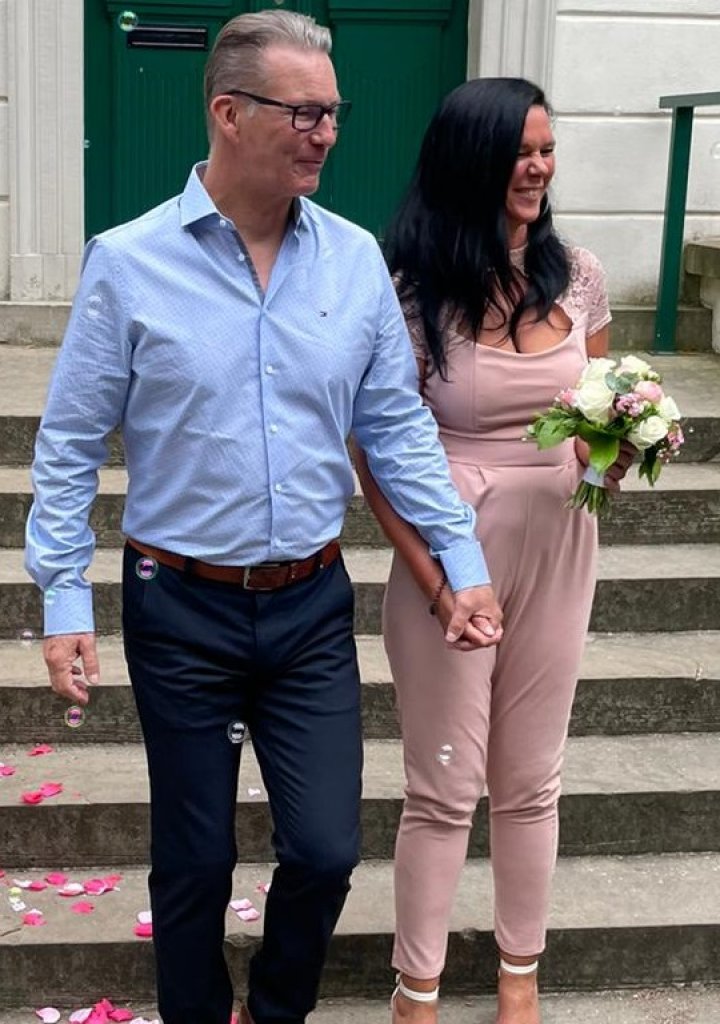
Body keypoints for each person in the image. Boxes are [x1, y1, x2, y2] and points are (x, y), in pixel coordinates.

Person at [25, 12, 504, 1024]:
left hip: (307, 605)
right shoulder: (128, 262)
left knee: (326, 849)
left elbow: (395, 427)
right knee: (194, 859)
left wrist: (460, 560)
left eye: (333, 112)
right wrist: (64, 599)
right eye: (304, 112)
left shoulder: (354, 260)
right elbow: (69, 442)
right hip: (179, 605)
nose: (326, 132)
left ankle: (275, 1012)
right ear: (229, 113)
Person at [354, 78, 634, 1024]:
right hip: (450, 553)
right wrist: (434, 585)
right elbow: (375, 455)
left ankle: (521, 977)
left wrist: (624, 450)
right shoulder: (409, 289)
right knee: (443, 783)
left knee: (531, 779)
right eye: (520, 151)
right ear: (470, 161)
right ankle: (417, 991)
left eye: (547, 150)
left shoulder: (580, 276)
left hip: (560, 544)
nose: (539, 167)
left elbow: (601, 415)